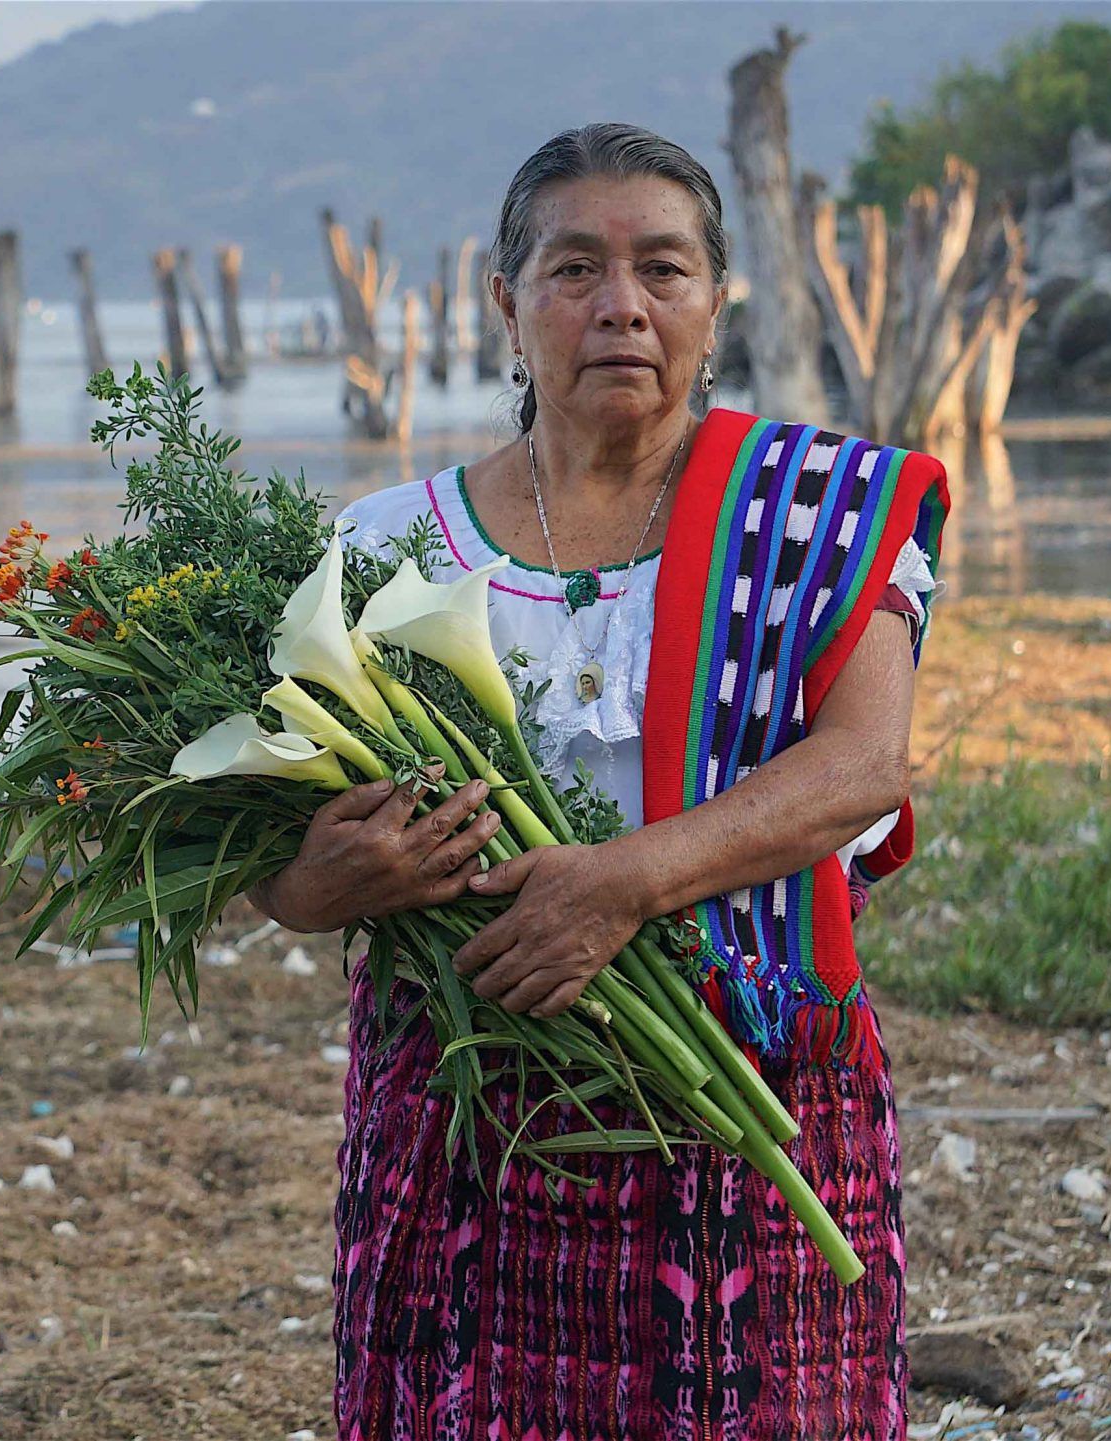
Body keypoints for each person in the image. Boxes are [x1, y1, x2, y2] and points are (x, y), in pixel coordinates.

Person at [247, 123, 947, 1440]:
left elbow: (861, 768)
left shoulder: (819, 515)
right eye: (575, 269)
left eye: (663, 270)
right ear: (507, 305)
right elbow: (273, 847)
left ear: (716, 303)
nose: (621, 303)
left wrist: (621, 884)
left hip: (746, 1085)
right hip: (466, 1095)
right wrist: (312, 888)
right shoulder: (382, 547)